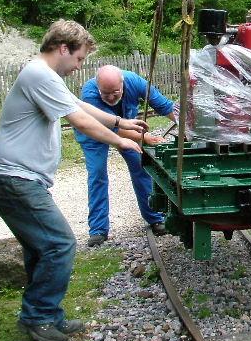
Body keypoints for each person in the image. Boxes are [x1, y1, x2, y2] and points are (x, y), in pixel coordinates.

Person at [0, 19, 147, 341]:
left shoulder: (43, 76)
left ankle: (47, 315)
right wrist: (121, 141)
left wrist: (120, 121)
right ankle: (38, 319)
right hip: (14, 179)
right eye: (79, 59)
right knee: (59, 244)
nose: (78, 66)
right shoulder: (39, 74)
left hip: (17, 179)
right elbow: (80, 120)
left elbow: (78, 105)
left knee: (42, 249)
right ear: (63, 48)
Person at [75, 66, 176, 247]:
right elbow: (109, 128)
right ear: (98, 88)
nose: (112, 97)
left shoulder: (135, 82)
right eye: (106, 94)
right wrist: (144, 138)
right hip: (94, 132)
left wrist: (186, 124)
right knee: (97, 174)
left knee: (141, 166)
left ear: (123, 83)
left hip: (128, 127)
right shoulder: (89, 95)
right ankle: (98, 230)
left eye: (116, 92)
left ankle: (155, 218)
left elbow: (165, 106)